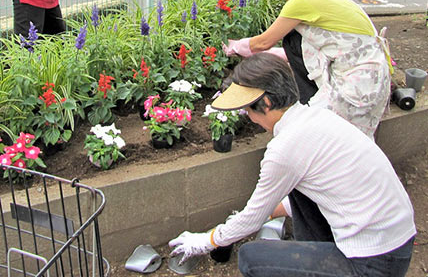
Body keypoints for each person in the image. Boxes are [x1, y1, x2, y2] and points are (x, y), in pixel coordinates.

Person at [169, 53, 416, 277]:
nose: (250, 118)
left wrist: (205, 241)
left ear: (265, 104)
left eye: (248, 110)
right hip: (396, 237)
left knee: (252, 258)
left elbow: (250, 221)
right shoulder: (318, 116)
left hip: (374, 260)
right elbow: (323, 187)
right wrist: (269, 212)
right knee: (297, 190)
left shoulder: (284, 148)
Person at [223, 0, 391, 139]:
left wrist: (235, 46)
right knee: (355, 141)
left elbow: (262, 42)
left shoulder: (302, 0)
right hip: (373, 77)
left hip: (355, 84)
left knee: (337, 141)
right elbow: (307, 50)